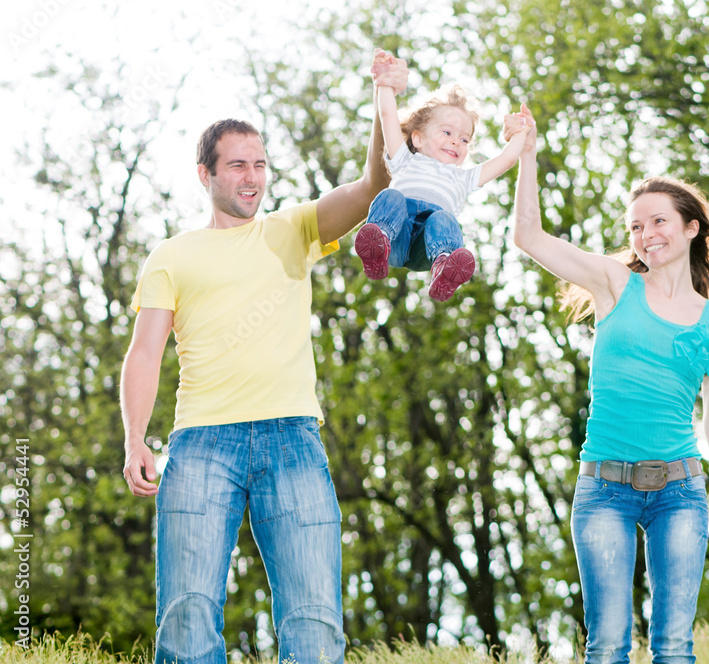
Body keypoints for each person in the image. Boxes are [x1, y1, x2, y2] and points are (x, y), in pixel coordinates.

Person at [119, 54, 409, 664]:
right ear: (206, 174)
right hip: (200, 445)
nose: (252, 177)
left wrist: (385, 100)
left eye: (259, 164)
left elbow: (373, 188)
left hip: (293, 439)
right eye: (236, 165)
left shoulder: (294, 229)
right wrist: (135, 440)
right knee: (187, 614)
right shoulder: (173, 255)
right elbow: (144, 352)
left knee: (314, 618)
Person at [509, 105, 709, 663]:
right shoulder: (615, 284)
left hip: (681, 493)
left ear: (691, 228)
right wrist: (526, 155)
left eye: (659, 221)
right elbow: (526, 235)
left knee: (673, 647)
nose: (646, 235)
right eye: (636, 226)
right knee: (609, 647)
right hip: (603, 492)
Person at [353, 49, 530, 301]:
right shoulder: (405, 159)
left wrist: (520, 133)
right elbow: (388, 116)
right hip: (396, 237)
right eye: (447, 133)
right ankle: (377, 244)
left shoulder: (463, 179)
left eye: (464, 138)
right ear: (418, 137)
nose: (456, 142)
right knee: (390, 197)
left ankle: (444, 267)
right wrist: (384, 83)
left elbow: (507, 159)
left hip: (425, 249)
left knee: (443, 219)